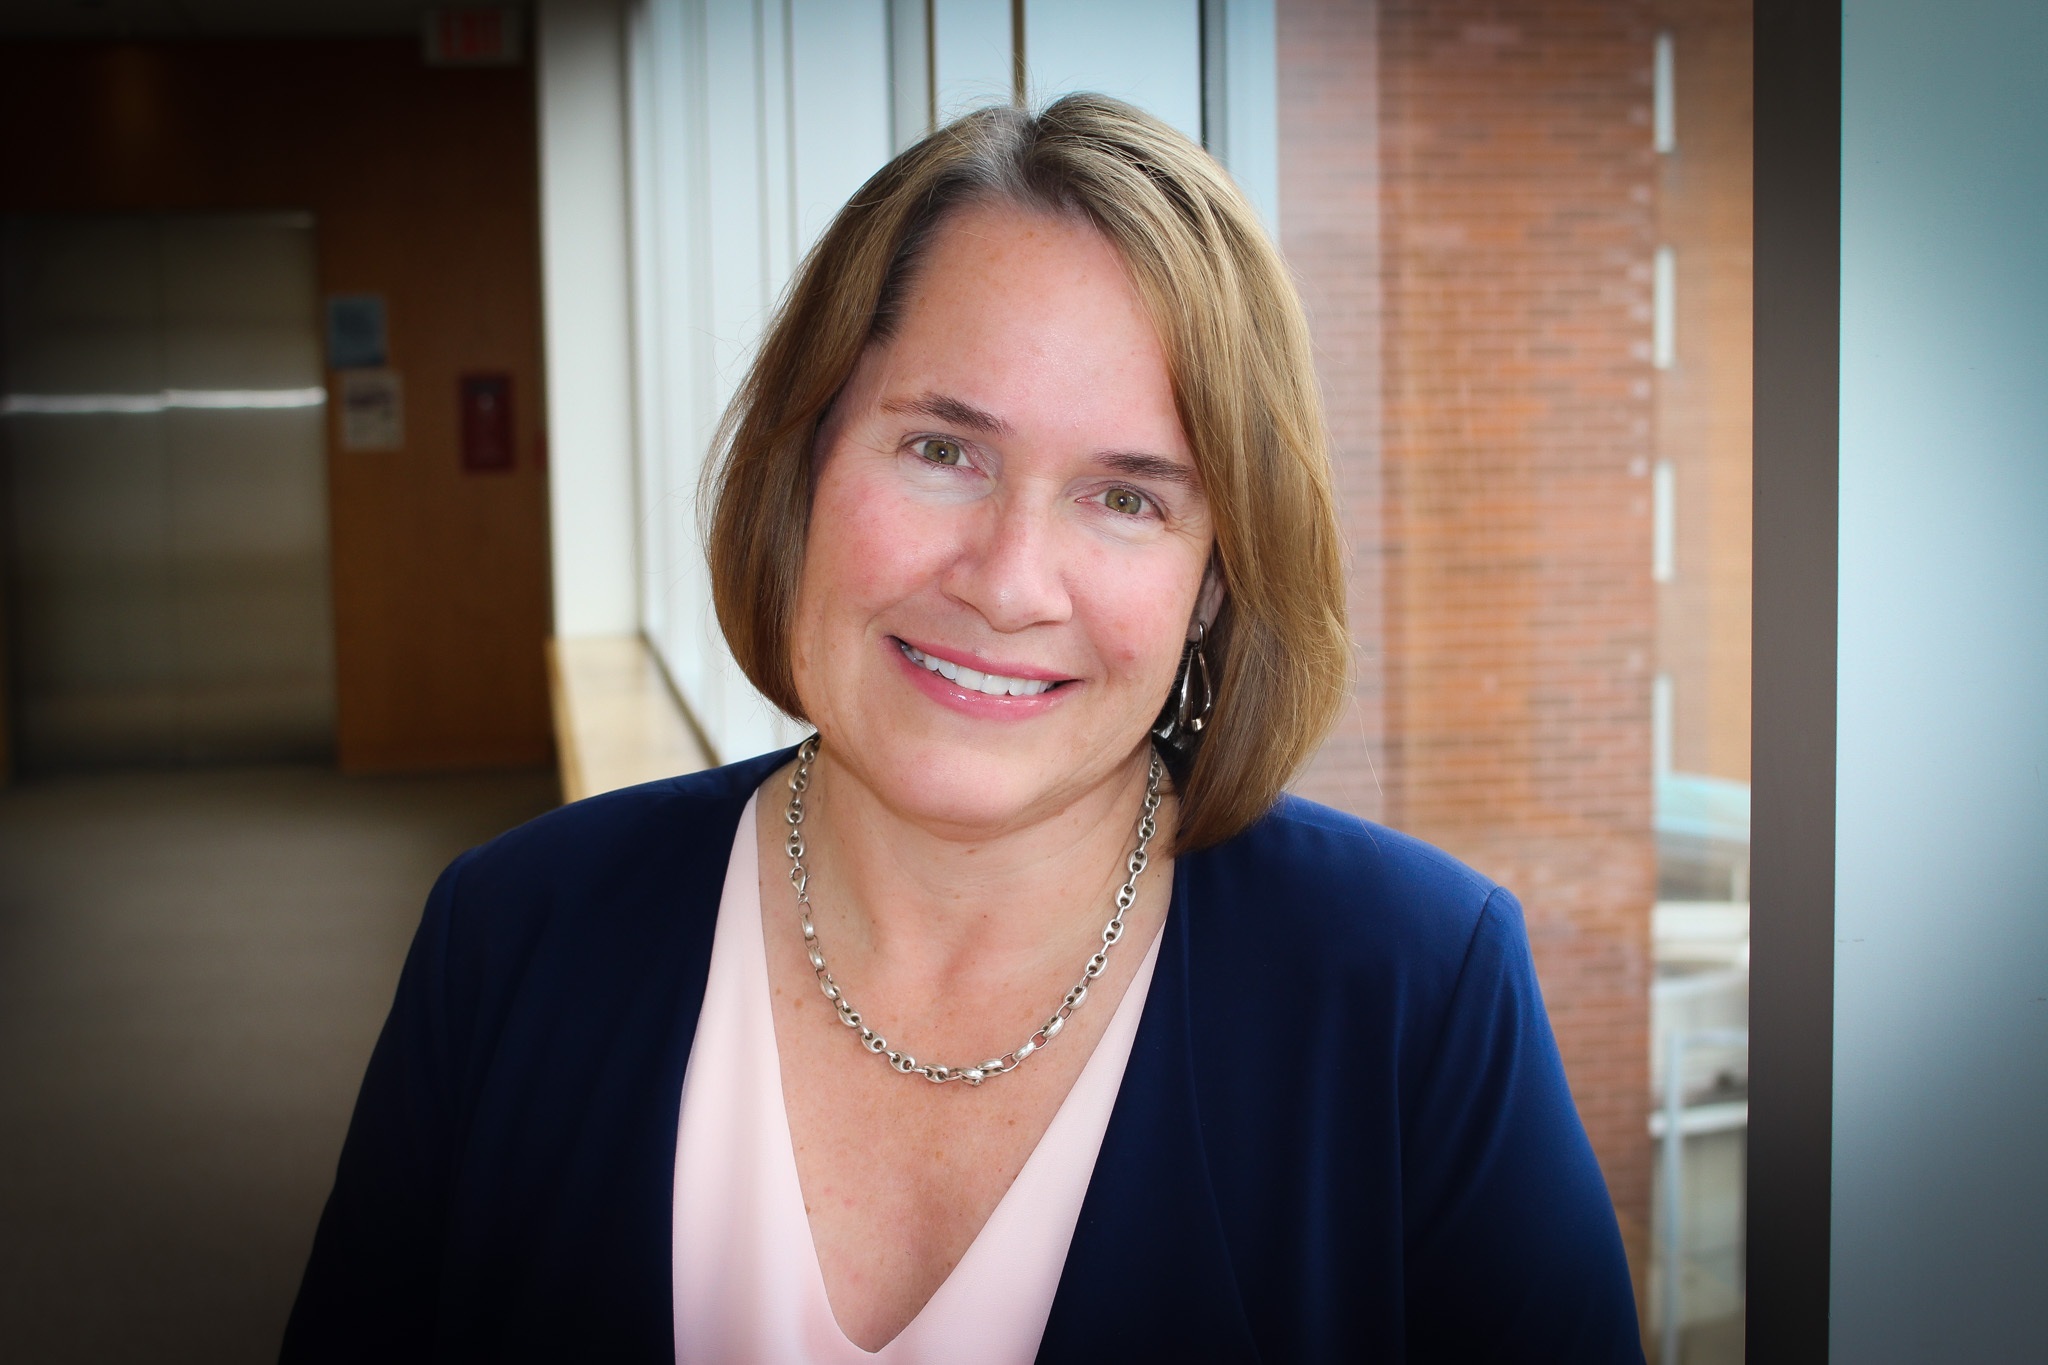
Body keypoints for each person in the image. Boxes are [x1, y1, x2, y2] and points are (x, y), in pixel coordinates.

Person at [282, 96, 1644, 1363]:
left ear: (1215, 577)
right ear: (805, 459)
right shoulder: (513, 938)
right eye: (944, 449)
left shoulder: (1415, 993)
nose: (1005, 579)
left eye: (1127, 496)